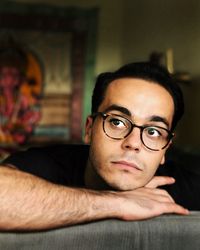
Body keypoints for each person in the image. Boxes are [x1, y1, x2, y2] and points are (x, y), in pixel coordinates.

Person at [1, 61, 198, 232]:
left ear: (166, 148)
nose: (133, 143)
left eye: (153, 132)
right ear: (89, 129)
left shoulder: (184, 187)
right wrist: (114, 201)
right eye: (117, 122)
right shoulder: (48, 164)